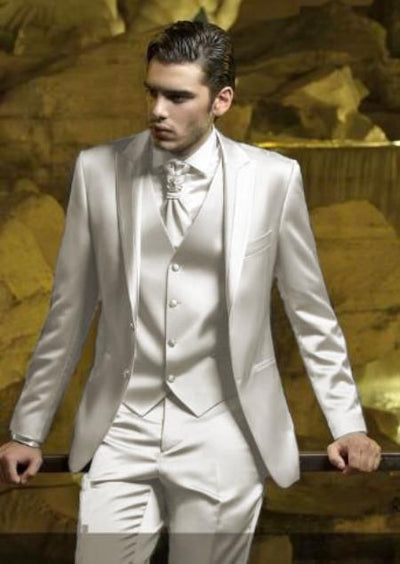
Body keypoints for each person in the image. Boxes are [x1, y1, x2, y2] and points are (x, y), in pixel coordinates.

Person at [0, 20, 380, 564]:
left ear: (221, 100)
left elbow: (311, 313)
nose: (158, 110)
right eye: (152, 92)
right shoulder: (97, 170)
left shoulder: (273, 179)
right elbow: (68, 311)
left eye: (177, 97)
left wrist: (349, 426)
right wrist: (28, 431)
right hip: (122, 429)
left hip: (224, 432)